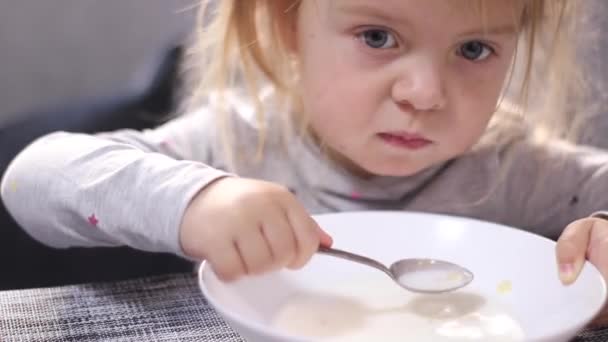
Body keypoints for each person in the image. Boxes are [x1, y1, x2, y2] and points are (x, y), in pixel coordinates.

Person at [2, 0, 607, 313]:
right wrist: (194, 199)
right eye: (377, 37)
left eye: (474, 48)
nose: (424, 93)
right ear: (288, 25)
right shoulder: (238, 144)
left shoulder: (520, 169)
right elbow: (31, 180)